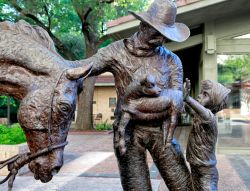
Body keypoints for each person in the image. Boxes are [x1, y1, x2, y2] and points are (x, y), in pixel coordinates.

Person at [67, 0, 192, 190]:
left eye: (166, 35)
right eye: (157, 33)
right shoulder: (116, 51)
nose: (161, 40)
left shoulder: (172, 60)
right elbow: (85, 67)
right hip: (128, 133)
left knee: (183, 185)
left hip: (162, 132)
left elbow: (176, 99)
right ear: (143, 26)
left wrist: (135, 107)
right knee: (136, 187)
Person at [183, 78, 231, 191]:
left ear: (214, 102)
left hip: (207, 172)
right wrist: (183, 99)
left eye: (205, 94)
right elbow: (188, 108)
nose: (199, 95)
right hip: (195, 165)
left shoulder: (210, 118)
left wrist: (187, 98)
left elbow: (201, 111)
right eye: (201, 92)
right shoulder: (197, 114)